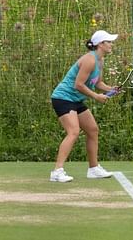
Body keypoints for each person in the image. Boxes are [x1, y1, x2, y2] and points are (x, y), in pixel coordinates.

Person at [49, 30, 119, 183]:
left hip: (75, 99)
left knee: (93, 130)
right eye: (109, 42)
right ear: (100, 44)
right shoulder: (90, 60)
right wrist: (96, 96)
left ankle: (93, 169)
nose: (112, 44)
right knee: (73, 131)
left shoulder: (100, 61)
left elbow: (98, 83)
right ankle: (57, 171)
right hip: (63, 98)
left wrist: (111, 89)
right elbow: (78, 84)